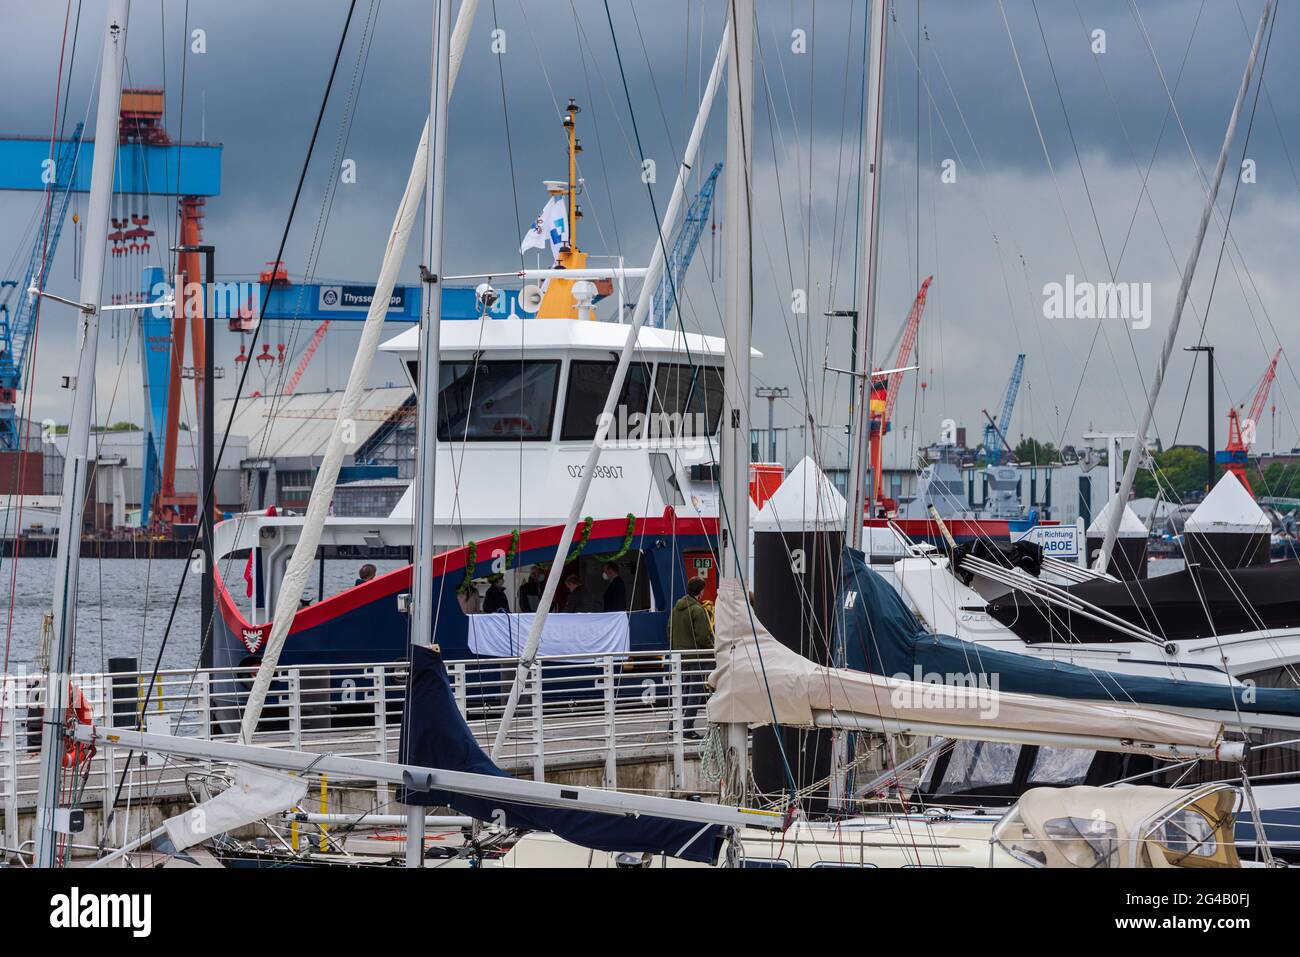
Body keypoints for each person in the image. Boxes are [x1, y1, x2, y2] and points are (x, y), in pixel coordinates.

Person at [669, 577, 713, 738]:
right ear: (701, 592)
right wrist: (712, 651)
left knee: (683, 691)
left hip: (680, 657)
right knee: (695, 692)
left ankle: (673, 726)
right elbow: (703, 637)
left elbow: (669, 630)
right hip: (696, 658)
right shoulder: (697, 610)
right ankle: (687, 728)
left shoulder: (676, 609)